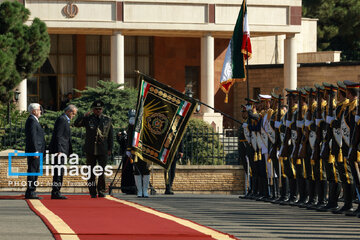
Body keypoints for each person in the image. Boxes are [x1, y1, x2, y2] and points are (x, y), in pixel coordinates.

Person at [74, 100, 113, 198]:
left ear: (102, 109)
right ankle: (92, 191)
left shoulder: (107, 120)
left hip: (102, 149)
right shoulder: (88, 119)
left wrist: (110, 148)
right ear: (93, 110)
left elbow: (111, 136)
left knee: (101, 171)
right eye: (96, 109)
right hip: (91, 149)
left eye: (100, 109)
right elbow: (76, 124)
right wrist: (83, 116)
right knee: (90, 171)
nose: (98, 111)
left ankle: (101, 190)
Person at [48, 104, 78, 199]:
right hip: (60, 151)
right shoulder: (62, 120)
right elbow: (59, 136)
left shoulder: (65, 120)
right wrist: (59, 150)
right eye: (73, 113)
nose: (74, 116)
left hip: (63, 150)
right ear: (68, 111)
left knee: (60, 171)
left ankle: (57, 191)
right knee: (58, 171)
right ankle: (56, 191)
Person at [25, 103, 46, 199]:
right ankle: (31, 191)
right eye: (39, 109)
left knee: (35, 170)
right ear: (34, 111)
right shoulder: (32, 120)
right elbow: (33, 137)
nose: (40, 111)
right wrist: (35, 150)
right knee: (33, 171)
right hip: (35, 151)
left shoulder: (34, 120)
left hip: (37, 151)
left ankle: (31, 190)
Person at [116, 109, 137, 194]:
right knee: (126, 171)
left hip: (135, 153)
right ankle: (126, 187)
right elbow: (122, 143)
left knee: (135, 171)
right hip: (126, 154)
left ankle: (136, 187)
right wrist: (121, 136)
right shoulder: (128, 128)